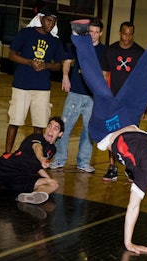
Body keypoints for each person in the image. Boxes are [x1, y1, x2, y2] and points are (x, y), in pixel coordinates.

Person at [71, 17, 147, 254]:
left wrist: (128, 243)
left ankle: (79, 38)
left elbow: (133, 206)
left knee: (102, 92)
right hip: (128, 119)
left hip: (105, 130)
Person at [5, 6, 66, 154]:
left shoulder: (55, 41)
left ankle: (35, 156)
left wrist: (46, 65)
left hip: (42, 87)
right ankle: (6, 154)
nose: (50, 24)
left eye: (53, 22)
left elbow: (59, 65)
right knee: (15, 122)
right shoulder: (26, 33)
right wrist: (30, 62)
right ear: (40, 19)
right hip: (21, 85)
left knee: (39, 125)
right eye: (48, 20)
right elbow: (11, 54)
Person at [49, 17, 105, 172]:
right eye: (90, 31)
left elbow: (105, 74)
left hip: (92, 97)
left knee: (89, 130)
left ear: (101, 33)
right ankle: (59, 159)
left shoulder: (104, 51)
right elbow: (67, 61)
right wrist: (65, 76)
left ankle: (83, 162)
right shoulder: (78, 44)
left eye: (96, 32)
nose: (93, 35)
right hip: (75, 93)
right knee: (64, 128)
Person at [100, 21, 145, 182]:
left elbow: (142, 80)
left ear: (133, 34)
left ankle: (130, 167)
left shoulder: (140, 53)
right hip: (113, 101)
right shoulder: (110, 51)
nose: (127, 38)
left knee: (132, 135)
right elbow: (104, 75)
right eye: (124, 33)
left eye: (130, 34)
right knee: (112, 133)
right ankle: (112, 167)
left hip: (132, 102)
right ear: (120, 32)